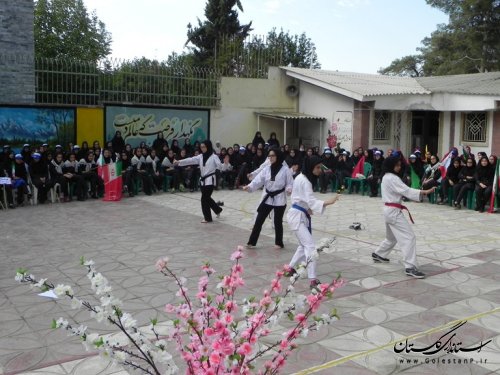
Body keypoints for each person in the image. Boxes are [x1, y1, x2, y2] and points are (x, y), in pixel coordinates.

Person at [372, 156, 436, 279]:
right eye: (397, 165)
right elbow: (406, 190)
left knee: (391, 238)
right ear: (391, 165)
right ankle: (410, 267)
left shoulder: (386, 176)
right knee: (409, 237)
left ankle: (379, 253)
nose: (399, 167)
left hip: (388, 210)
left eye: (400, 165)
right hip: (393, 211)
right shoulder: (392, 178)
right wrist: (425, 192)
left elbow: (403, 190)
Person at [286, 156, 339, 289]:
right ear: (310, 167)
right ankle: (313, 279)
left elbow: (298, 197)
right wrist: (329, 201)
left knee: (303, 245)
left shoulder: (301, 177)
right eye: (317, 167)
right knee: (310, 247)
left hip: (298, 214)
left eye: (320, 167)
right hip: (297, 216)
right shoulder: (305, 181)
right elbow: (311, 200)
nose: (319, 170)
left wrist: (307, 208)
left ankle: (290, 268)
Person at [243, 149, 293, 249]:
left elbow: (290, 183)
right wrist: (250, 186)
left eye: (273, 155)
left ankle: (279, 243)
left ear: (278, 156)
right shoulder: (266, 169)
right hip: (268, 198)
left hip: (279, 198)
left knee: (277, 221)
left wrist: (289, 189)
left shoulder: (285, 170)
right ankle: (252, 242)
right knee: (259, 220)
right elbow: (258, 180)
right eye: (269, 156)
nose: (270, 158)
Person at [175, 140, 222, 223]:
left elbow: (219, 166)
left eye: (204, 147)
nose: (202, 148)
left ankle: (208, 218)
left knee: (204, 199)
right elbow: (191, 160)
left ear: (208, 146)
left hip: (210, 180)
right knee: (207, 198)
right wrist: (179, 162)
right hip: (203, 180)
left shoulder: (214, 157)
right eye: (201, 147)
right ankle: (217, 209)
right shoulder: (200, 156)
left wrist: (218, 172)